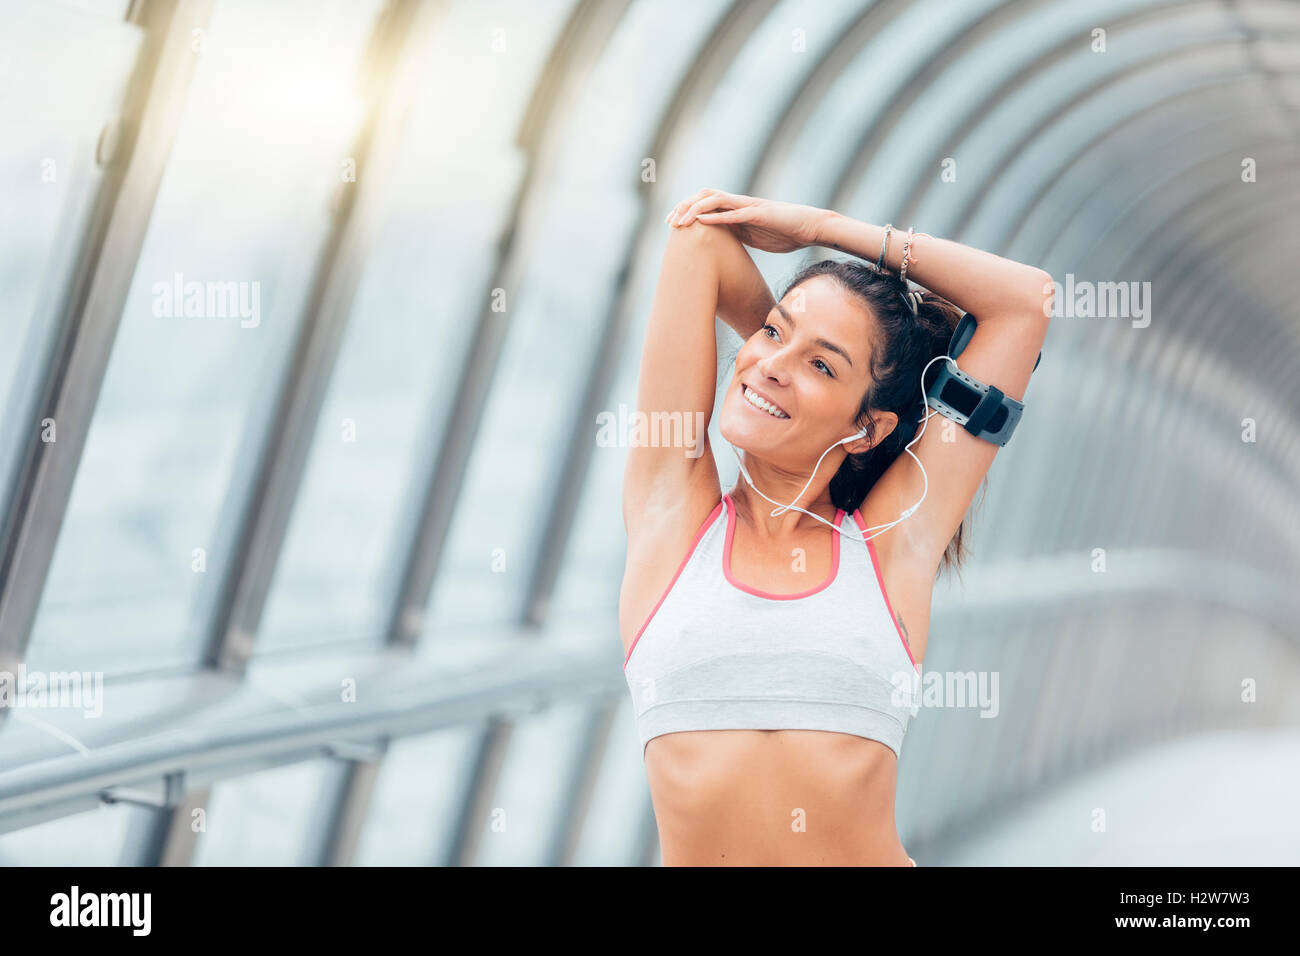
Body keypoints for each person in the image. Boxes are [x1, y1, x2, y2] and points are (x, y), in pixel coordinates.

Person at [619, 189, 1053, 866]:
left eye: (822, 365)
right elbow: (698, 239)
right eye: (771, 332)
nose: (771, 364)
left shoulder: (891, 544)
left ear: (868, 427)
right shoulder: (670, 515)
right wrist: (787, 361)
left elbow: (1024, 303)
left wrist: (820, 229)